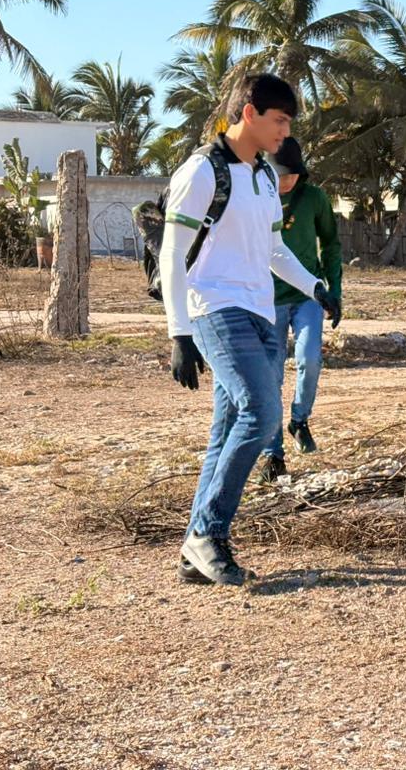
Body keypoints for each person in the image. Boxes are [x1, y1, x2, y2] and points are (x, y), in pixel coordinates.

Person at [161, 73, 340, 586]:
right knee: (262, 416)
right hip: (215, 308)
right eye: (279, 120)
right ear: (249, 113)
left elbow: (274, 249)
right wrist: (180, 332)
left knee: (227, 427)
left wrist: (313, 287)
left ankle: (194, 549)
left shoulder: (263, 175)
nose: (285, 131)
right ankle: (209, 534)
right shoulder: (201, 171)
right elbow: (173, 253)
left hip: (262, 314)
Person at [257, 137, 343, 484]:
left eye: (291, 175)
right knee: (271, 377)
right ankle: (272, 453)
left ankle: (300, 419)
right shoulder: (257, 199)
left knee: (310, 359)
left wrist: (333, 290)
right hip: (267, 300)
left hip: (308, 294)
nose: (285, 182)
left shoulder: (314, 198)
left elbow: (332, 244)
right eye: (279, 175)